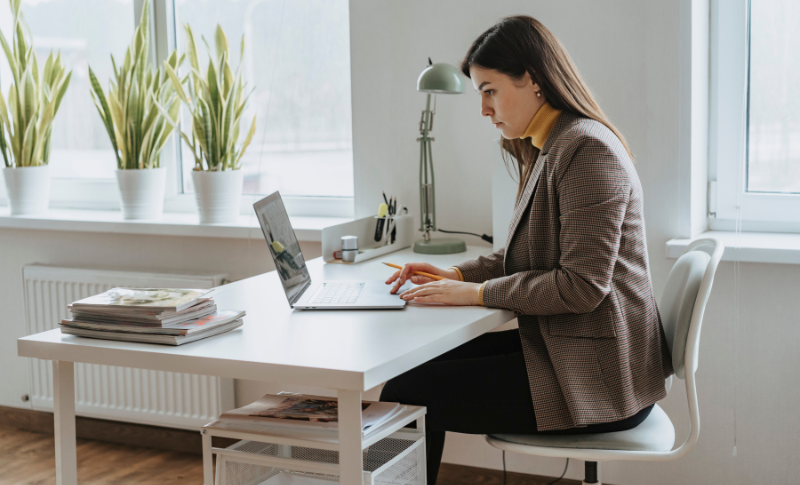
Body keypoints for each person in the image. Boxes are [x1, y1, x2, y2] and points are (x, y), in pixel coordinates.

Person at [382, 15, 674, 485]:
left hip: (600, 379)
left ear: (533, 81)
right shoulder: (548, 147)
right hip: (571, 352)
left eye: (490, 90)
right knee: (416, 371)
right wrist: (454, 277)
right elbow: (524, 257)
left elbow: (581, 287)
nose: (483, 109)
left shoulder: (587, 150)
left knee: (406, 391)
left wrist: (477, 296)